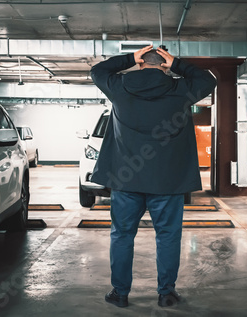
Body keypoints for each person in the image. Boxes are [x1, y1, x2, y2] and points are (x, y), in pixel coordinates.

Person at [90, 45, 217, 308]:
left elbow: (98, 70)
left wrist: (128, 58)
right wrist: (178, 65)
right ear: (164, 64)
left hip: (127, 180)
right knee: (168, 236)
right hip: (168, 182)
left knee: (122, 235)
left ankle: (120, 293)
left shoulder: (119, 86)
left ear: (140, 63)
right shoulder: (181, 89)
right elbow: (209, 80)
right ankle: (166, 293)